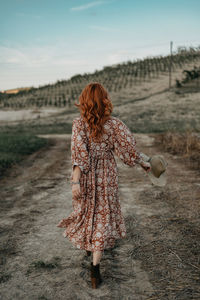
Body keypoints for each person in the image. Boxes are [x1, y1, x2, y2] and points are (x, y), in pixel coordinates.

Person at [56, 82, 151, 289]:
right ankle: (95, 270)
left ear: (84, 101)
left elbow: (79, 156)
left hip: (87, 176)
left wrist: (75, 182)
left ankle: (90, 250)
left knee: (87, 212)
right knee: (102, 216)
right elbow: (127, 152)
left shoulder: (78, 124)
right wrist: (143, 163)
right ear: (104, 100)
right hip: (107, 176)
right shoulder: (115, 124)